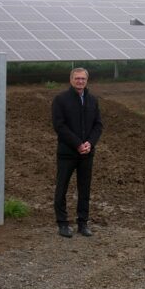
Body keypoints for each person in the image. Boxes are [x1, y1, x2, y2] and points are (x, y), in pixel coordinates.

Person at [52, 68, 103, 238]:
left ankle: (83, 223)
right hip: (67, 153)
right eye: (77, 78)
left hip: (86, 154)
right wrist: (77, 144)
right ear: (71, 79)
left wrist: (89, 143)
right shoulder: (61, 100)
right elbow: (59, 126)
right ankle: (63, 223)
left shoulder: (92, 100)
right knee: (62, 188)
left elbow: (98, 125)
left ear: (87, 81)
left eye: (83, 79)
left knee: (84, 189)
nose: (80, 81)